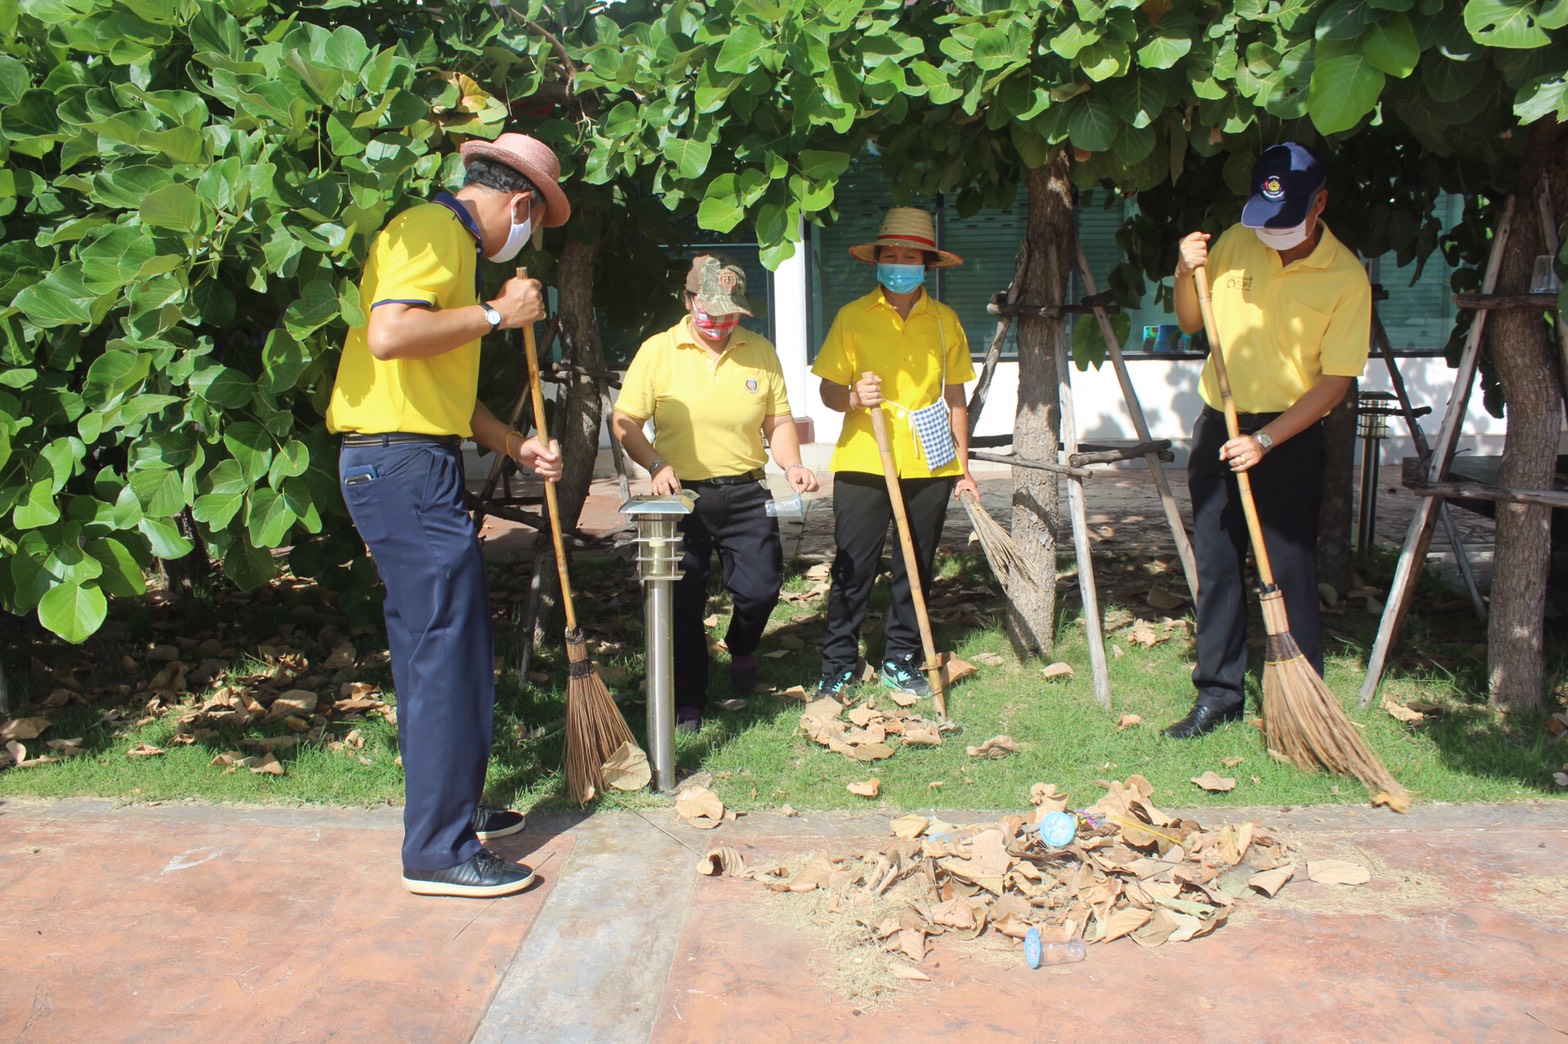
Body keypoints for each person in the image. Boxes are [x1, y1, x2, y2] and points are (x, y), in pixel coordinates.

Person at [325, 133, 571, 896]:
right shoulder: (432, 231)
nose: (524, 236)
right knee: (442, 651)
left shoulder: (449, 245)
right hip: (398, 464)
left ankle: (455, 810)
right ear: (521, 203)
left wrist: (512, 442)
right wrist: (498, 315)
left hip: (413, 457)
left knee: (450, 645)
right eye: (532, 220)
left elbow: (437, 388)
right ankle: (436, 850)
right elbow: (390, 334)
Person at [1163, 142, 1371, 739]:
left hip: (1289, 433)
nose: (1271, 232)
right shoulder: (1234, 239)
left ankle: (1302, 697)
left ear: (1320, 202)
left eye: (1286, 221)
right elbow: (1190, 321)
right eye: (1266, 219)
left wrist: (1268, 440)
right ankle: (1220, 694)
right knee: (1219, 562)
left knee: (1288, 564)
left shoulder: (1345, 276)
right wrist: (1183, 270)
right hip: (1220, 423)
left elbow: (1335, 382)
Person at [612, 255, 819, 731]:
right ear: (687, 302)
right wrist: (655, 464)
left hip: (746, 492)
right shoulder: (658, 351)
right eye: (711, 313)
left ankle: (742, 646)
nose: (721, 324)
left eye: (730, 315)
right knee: (682, 600)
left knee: (763, 585)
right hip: (680, 496)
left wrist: (792, 464)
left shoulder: (759, 351)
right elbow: (625, 421)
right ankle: (689, 699)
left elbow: (778, 419)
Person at [811, 207, 978, 700]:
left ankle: (901, 657)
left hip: (929, 459)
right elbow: (828, 391)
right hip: (864, 458)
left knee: (916, 563)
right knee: (852, 564)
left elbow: (955, 400)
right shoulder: (853, 317)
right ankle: (838, 663)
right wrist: (854, 398)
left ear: (926, 264)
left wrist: (963, 469)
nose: (900, 263)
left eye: (910, 256)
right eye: (892, 255)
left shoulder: (944, 322)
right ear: (878, 261)